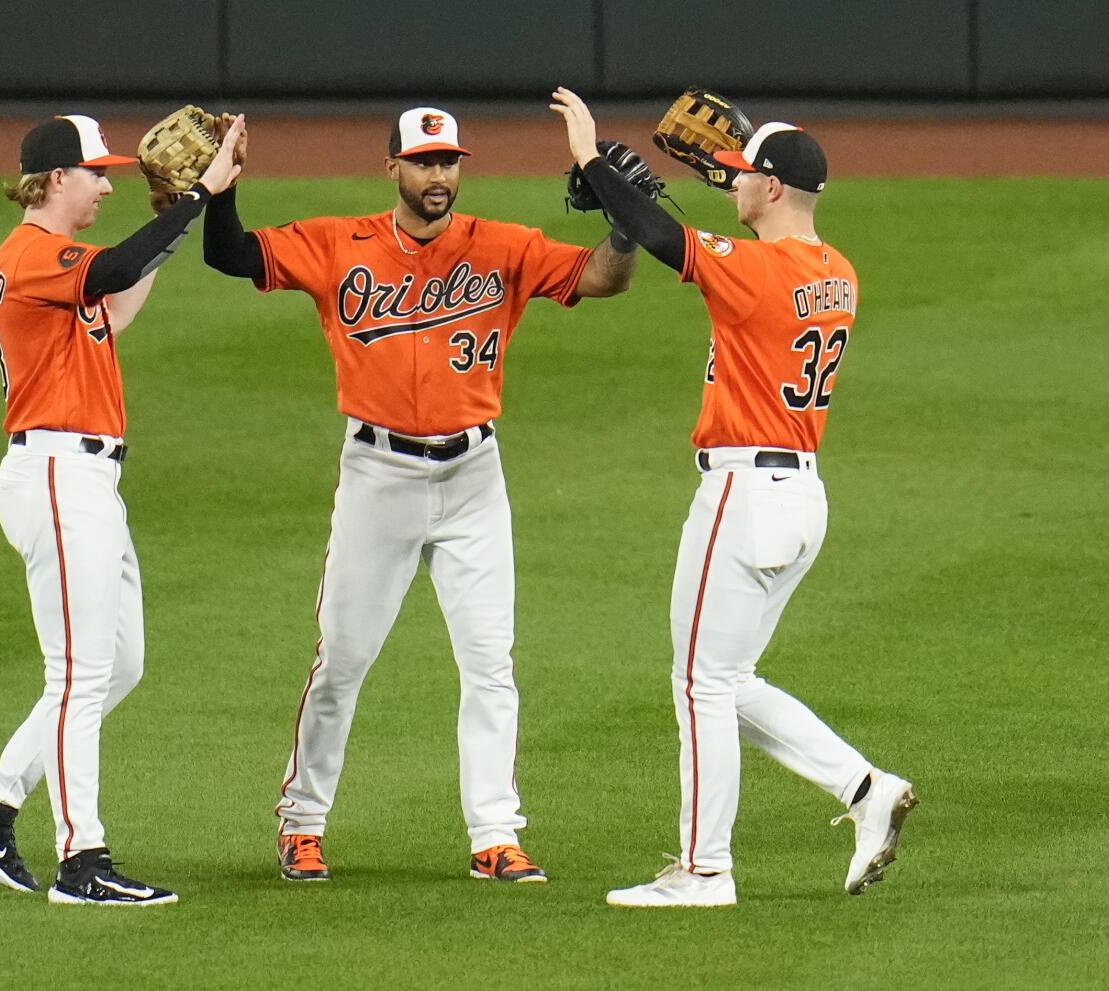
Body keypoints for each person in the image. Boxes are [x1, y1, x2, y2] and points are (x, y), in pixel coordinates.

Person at [203, 106, 635, 883]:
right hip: (379, 477)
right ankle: (301, 822)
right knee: (342, 659)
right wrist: (223, 190)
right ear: (392, 167)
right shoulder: (340, 242)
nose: (439, 176)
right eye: (424, 162)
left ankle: (494, 835)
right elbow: (230, 256)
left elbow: (601, 276)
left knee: (489, 661)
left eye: (449, 162)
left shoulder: (503, 246)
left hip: (475, 478)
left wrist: (627, 224)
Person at [550, 87, 916, 907]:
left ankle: (703, 870)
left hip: (744, 496)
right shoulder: (835, 271)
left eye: (745, 176)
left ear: (775, 189)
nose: (732, 182)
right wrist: (715, 178)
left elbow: (661, 237)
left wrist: (587, 157)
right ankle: (867, 789)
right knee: (726, 676)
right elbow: (709, 220)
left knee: (699, 683)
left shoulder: (757, 271)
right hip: (800, 498)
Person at [0, 112, 245, 906]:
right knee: (77, 673)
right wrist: (198, 198)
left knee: (120, 663)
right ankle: (83, 861)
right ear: (52, 179)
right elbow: (109, 273)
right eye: (95, 173)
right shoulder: (31, 253)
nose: (108, 183)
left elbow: (118, 299)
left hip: (85, 480)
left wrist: (173, 218)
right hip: (55, 475)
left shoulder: (58, 264)